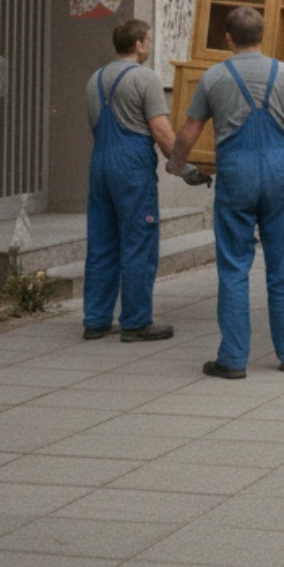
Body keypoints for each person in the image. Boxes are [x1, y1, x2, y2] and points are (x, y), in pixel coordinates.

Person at [167, 6, 284, 378]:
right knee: (283, 266)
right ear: (262, 36)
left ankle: (233, 359)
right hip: (278, 175)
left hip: (235, 175)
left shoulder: (213, 78)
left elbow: (188, 132)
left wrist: (177, 165)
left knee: (234, 268)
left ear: (228, 38)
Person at [83, 19, 208, 343]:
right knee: (139, 241)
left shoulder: (95, 79)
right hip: (131, 166)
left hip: (100, 163)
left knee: (101, 243)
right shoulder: (145, 78)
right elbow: (162, 133)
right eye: (148, 40)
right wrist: (185, 169)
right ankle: (136, 322)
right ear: (139, 44)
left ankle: (95, 320)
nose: (149, 45)